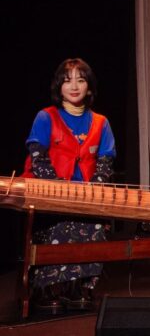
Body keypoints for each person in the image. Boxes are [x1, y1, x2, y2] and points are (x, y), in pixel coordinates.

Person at [25, 58, 116, 312]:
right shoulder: (46, 117)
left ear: (89, 86)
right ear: (59, 86)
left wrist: (92, 191)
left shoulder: (101, 122)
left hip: (85, 195)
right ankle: (48, 288)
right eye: (67, 81)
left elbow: (105, 162)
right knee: (60, 223)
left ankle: (79, 286)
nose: (74, 86)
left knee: (95, 223)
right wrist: (58, 191)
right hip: (50, 192)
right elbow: (37, 156)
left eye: (80, 79)